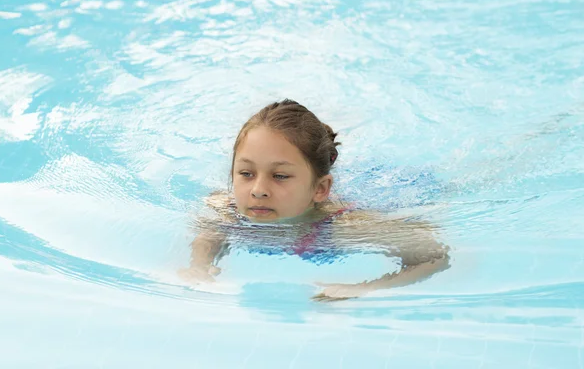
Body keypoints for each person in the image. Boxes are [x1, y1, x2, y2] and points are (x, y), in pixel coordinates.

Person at [179, 99, 450, 301]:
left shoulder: (345, 226)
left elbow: (434, 257)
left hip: (397, 186)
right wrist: (199, 268)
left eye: (280, 176)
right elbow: (208, 235)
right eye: (246, 173)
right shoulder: (226, 210)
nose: (258, 190)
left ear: (320, 189)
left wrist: (364, 288)